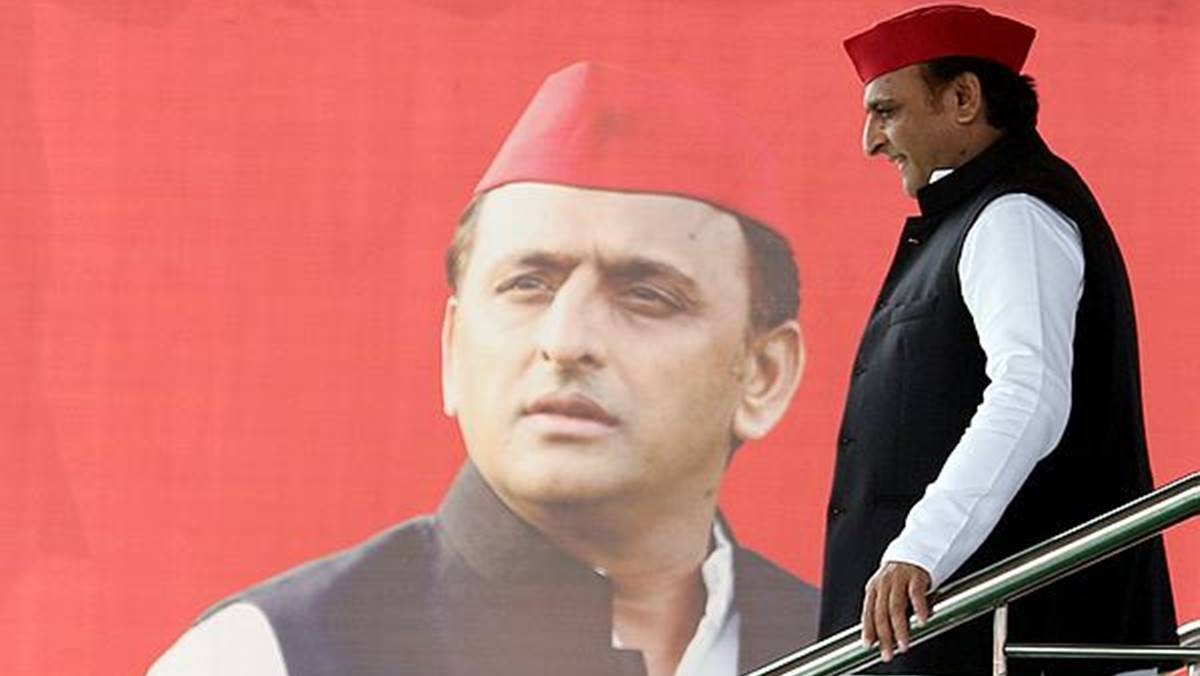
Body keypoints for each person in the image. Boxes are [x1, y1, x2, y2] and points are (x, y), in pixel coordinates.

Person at [147, 61, 819, 676]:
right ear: (452, 347)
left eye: (647, 296)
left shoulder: (850, 644)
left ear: (763, 375)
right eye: (528, 284)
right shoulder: (263, 657)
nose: (565, 341)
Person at [819, 5, 1178, 675]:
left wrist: (920, 549)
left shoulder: (1016, 214)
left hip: (1021, 637)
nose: (870, 141)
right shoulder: (982, 213)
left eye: (887, 111)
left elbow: (1029, 394)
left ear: (964, 98)